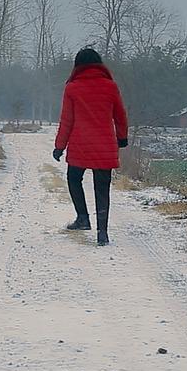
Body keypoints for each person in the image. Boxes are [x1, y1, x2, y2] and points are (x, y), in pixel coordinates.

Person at [53, 48, 129, 246]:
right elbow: (120, 115)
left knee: (74, 178)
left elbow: (66, 120)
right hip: (105, 145)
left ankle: (83, 218)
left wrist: (59, 146)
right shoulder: (110, 86)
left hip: (81, 145)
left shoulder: (72, 87)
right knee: (102, 188)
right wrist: (122, 138)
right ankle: (102, 233)